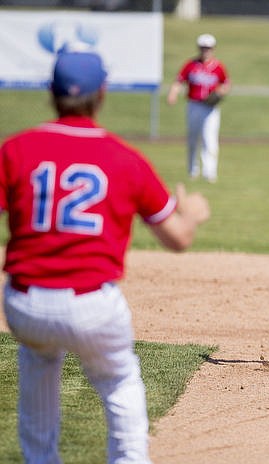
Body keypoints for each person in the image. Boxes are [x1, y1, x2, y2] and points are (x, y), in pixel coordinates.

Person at [0, 48, 210, 462]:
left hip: (25, 303)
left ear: (50, 92)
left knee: (38, 360)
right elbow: (177, 239)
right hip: (91, 306)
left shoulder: (15, 150)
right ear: (102, 94)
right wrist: (192, 215)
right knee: (118, 379)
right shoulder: (123, 158)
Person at [167, 33, 231, 183]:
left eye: (208, 48)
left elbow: (226, 84)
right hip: (194, 105)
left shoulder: (218, 67)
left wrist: (220, 92)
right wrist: (172, 94)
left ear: (213, 49)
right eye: (203, 47)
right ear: (199, 48)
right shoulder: (191, 65)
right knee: (192, 138)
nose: (205, 51)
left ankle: (210, 172)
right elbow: (179, 81)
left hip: (210, 107)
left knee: (210, 139)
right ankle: (192, 170)